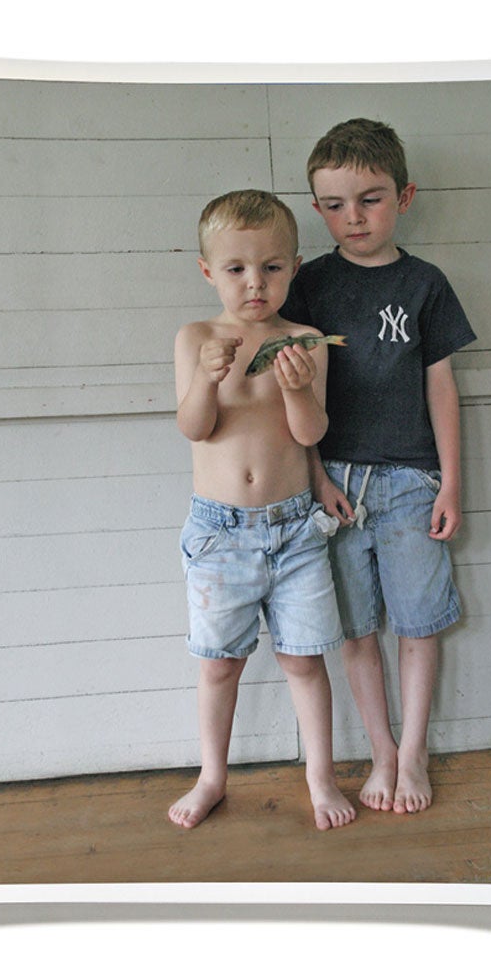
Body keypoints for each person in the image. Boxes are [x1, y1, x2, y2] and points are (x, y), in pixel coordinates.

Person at [280, 118, 477, 815]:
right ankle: (381, 749)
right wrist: (315, 476)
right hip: (334, 481)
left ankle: (415, 749)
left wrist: (451, 479)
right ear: (315, 208)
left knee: (418, 623)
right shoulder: (308, 286)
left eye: (370, 198)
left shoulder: (425, 285)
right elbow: (293, 392)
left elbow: (441, 386)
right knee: (358, 627)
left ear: (404, 196)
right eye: (333, 204)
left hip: (410, 481)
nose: (352, 217)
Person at [169, 189, 357, 832]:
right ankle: (212, 777)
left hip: (295, 528)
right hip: (220, 534)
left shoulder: (305, 340)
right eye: (237, 269)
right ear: (208, 272)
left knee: (305, 660)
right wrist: (205, 379)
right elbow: (194, 429)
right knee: (219, 664)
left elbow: (310, 435)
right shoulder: (196, 338)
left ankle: (321, 777)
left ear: (294, 268)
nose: (256, 283)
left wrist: (300, 387)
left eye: (272, 268)